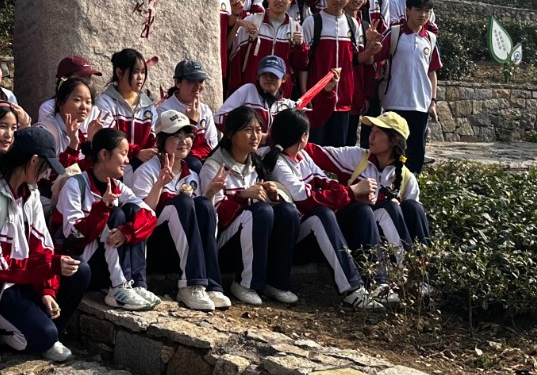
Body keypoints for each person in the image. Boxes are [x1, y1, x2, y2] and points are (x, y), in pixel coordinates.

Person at [0, 126, 91, 364]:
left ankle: (47, 332)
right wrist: (48, 266)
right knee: (43, 334)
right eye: (45, 166)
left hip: (26, 277)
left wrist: (47, 290)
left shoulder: (31, 193)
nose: (46, 174)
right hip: (0, 286)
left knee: (80, 269)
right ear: (33, 160)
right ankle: (22, 333)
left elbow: (42, 244)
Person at [261, 109, 380, 310]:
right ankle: (352, 289)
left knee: (361, 211)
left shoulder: (302, 156)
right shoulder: (276, 162)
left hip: (314, 231)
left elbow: (325, 182)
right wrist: (351, 191)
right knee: (321, 215)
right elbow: (305, 198)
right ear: (303, 137)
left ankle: (378, 283)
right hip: (291, 238)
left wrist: (352, 195)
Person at [307, 112, 430, 283]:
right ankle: (401, 279)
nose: (371, 136)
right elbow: (315, 153)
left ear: (394, 141)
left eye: (378, 132)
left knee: (413, 207)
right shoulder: (356, 157)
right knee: (379, 208)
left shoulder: (407, 178)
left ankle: (424, 273)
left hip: (387, 242)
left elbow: (412, 222)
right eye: (372, 130)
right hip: (354, 233)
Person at [199, 106, 301, 307]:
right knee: (260, 212)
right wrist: (241, 197)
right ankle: (245, 283)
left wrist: (273, 196)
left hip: (253, 241)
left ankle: (276, 283)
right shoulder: (214, 167)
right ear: (230, 134)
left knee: (287, 212)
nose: (255, 136)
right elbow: (214, 218)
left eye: (258, 130)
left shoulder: (256, 165)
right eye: (248, 130)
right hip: (224, 246)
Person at [129, 111, 227, 312]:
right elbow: (140, 217)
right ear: (161, 140)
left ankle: (211, 284)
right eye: (176, 136)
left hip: (184, 248)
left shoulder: (191, 174)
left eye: (187, 136)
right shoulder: (146, 171)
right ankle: (190, 284)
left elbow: (200, 222)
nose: (184, 142)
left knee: (204, 204)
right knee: (182, 202)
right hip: (156, 247)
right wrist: (159, 185)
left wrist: (210, 193)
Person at [58, 128, 159, 310]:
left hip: (106, 265)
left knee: (134, 211)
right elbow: (74, 236)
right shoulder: (75, 185)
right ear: (104, 154)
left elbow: (150, 215)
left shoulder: (118, 186)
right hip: (81, 267)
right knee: (115, 214)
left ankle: (136, 284)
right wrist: (102, 209)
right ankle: (119, 287)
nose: (127, 160)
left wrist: (126, 232)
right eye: (123, 154)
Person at [370, 0, 441, 168]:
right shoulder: (395, 33)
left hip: (420, 105)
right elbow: (374, 58)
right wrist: (370, 45)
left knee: (416, 153)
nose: (422, 15)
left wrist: (433, 101)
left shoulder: (430, 39)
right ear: (407, 10)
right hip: (395, 102)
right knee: (392, 151)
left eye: (427, 11)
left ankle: (412, 183)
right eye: (418, 10)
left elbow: (432, 72)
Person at [302, 0, 361, 146]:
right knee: (314, 149)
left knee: (337, 151)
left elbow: (355, 60)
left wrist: (371, 47)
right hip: (317, 100)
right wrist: (306, 95)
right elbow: (304, 64)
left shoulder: (353, 24)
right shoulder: (312, 22)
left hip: (343, 101)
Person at [228, 0, 307, 99]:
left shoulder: (296, 28)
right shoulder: (252, 21)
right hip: (251, 93)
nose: (279, 0)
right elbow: (236, 58)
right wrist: (236, 91)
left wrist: (300, 46)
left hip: (281, 95)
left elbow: (299, 66)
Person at [93, 48, 159, 162]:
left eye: (143, 72)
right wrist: (136, 152)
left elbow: (155, 135)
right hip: (113, 164)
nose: (140, 77)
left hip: (143, 164)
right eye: (135, 72)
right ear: (119, 73)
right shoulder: (105, 102)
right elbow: (109, 138)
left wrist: (151, 152)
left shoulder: (148, 105)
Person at [157, 60, 218, 166]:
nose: (197, 86)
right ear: (178, 83)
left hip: (202, 160)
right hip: (173, 164)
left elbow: (212, 146)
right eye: (191, 81)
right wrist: (191, 122)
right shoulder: (165, 110)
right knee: (194, 164)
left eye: (201, 81)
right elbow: (173, 148)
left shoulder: (205, 110)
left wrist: (196, 154)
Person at [217, 56, 298, 132]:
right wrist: (247, 133)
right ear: (258, 76)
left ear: (284, 78)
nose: (269, 78)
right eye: (264, 74)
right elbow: (219, 118)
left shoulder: (289, 105)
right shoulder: (248, 91)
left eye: (274, 75)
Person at [37, 54, 102, 124]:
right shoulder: (49, 108)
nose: (86, 82)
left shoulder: (93, 110)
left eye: (89, 78)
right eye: (82, 78)